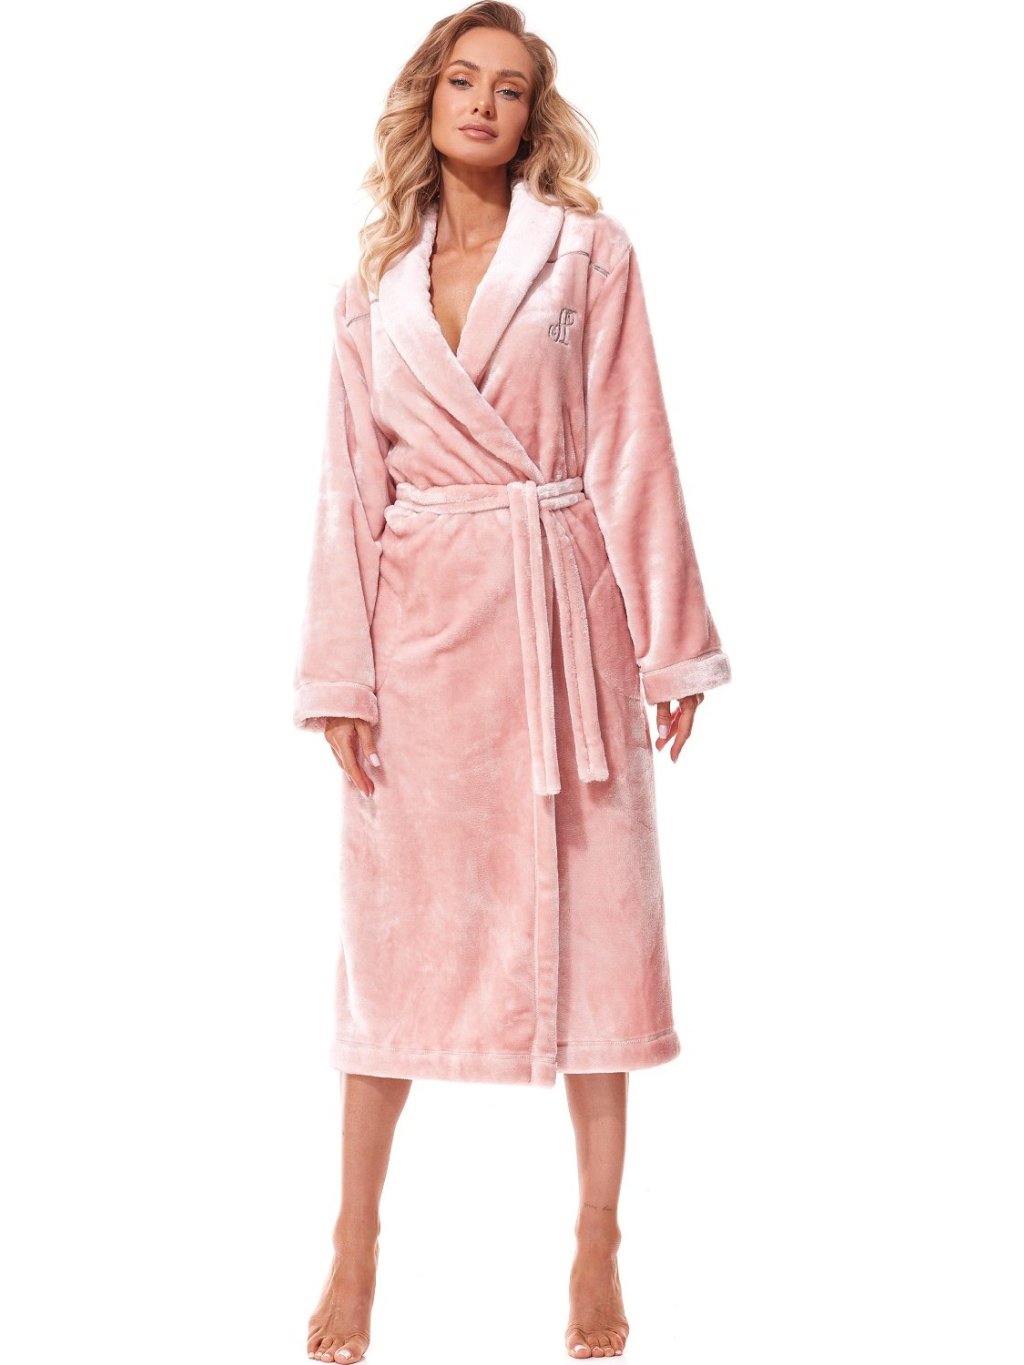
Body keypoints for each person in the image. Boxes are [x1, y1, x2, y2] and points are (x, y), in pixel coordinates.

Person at [294, 4, 732, 1360]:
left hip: (560, 621)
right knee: (391, 936)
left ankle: (598, 1234)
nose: (483, 104)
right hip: (423, 636)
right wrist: (340, 672)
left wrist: (670, 640)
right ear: (427, 100)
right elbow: (347, 488)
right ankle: (354, 1238)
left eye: (510, 89)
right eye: (462, 81)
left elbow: (634, 444)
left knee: (594, 917)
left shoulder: (590, 255)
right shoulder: (372, 291)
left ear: (535, 115)